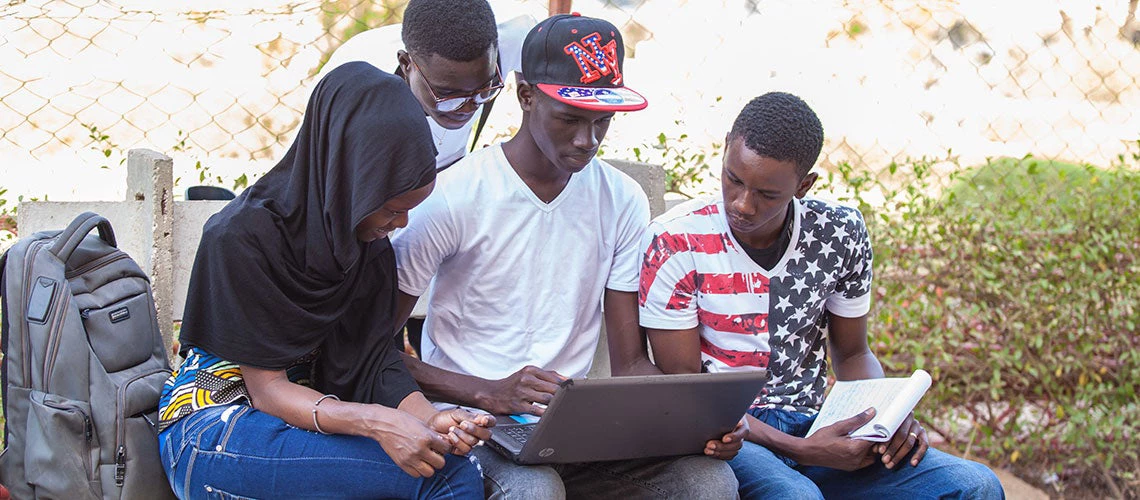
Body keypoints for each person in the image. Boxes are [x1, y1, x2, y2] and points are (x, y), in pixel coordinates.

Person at [391, 13, 740, 500]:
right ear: (525, 95)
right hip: (475, 426)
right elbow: (377, 354)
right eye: (569, 118)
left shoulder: (621, 200)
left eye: (602, 122)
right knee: (535, 491)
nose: (587, 140)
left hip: (574, 432)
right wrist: (486, 390)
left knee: (707, 482)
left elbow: (630, 364)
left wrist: (699, 417)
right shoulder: (456, 196)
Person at [637, 92, 1005, 499]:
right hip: (732, 436)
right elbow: (689, 396)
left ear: (805, 185)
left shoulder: (839, 232)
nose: (742, 203)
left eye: (767, 194)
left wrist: (886, 416)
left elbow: (852, 355)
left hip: (818, 422)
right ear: (725, 149)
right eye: (733, 179)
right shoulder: (676, 240)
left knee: (975, 486)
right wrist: (801, 449)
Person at [157, 62, 493, 500]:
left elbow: (371, 361)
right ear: (351, 179)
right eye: (391, 209)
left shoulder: (363, 244)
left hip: (305, 419)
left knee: (443, 460)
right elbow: (269, 391)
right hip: (215, 427)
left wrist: (429, 421)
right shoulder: (240, 237)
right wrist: (377, 422)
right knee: (445, 478)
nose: (401, 223)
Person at [320, 0, 534, 356]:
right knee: (371, 318)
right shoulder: (359, 76)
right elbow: (332, 194)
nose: (467, 107)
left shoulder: (513, 34)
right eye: (448, 94)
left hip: (439, 176)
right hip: (371, 197)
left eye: (484, 90)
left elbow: (547, 99)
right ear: (407, 66)